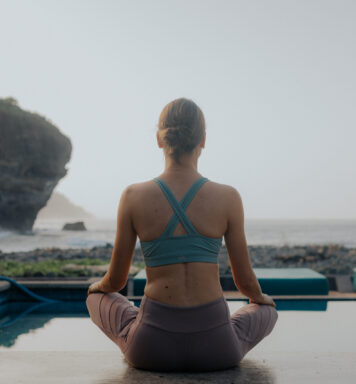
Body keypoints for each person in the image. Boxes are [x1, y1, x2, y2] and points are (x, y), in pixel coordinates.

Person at [85, 98, 278, 372]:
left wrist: (97, 288)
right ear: (203, 141)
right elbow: (245, 284)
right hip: (218, 349)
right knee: (267, 310)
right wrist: (261, 299)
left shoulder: (132, 196)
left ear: (159, 140)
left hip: (150, 350)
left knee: (96, 299)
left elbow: (114, 281)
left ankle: (133, 330)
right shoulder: (228, 197)